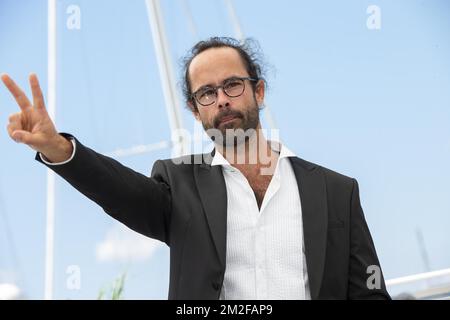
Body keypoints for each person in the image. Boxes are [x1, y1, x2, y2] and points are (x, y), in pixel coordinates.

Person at [2, 37, 390, 300]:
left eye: (232, 85)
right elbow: (117, 190)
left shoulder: (337, 191)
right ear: (194, 109)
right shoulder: (178, 185)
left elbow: (369, 293)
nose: (221, 100)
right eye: (206, 93)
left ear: (259, 91)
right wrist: (59, 149)